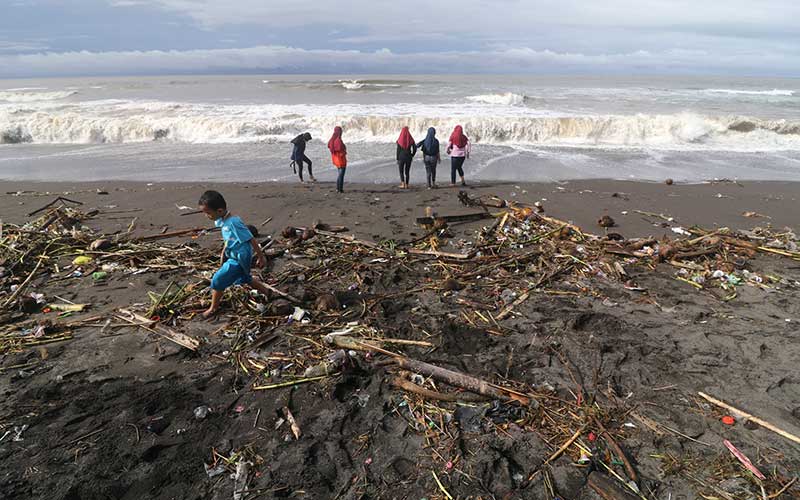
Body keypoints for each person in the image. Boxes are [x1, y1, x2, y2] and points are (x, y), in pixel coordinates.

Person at [198, 190, 271, 318]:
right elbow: (228, 239)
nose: (206, 216)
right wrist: (223, 253)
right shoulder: (223, 221)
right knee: (245, 277)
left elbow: (250, 238)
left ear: (220, 211)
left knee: (217, 280)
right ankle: (267, 292)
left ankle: (213, 308)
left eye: (208, 213)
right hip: (233, 254)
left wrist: (261, 256)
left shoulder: (233, 223)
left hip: (240, 257)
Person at [328, 126, 347, 193]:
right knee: (341, 175)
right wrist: (344, 151)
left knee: (339, 174)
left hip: (335, 159)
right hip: (341, 160)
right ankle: (340, 189)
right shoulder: (338, 140)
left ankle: (337, 188)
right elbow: (340, 149)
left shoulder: (332, 139)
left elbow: (329, 146)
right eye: (341, 131)